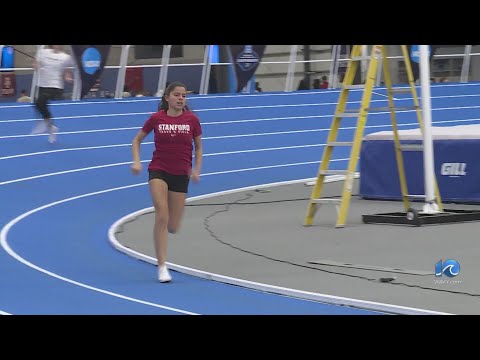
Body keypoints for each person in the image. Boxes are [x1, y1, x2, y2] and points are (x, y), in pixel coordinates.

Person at [130, 81, 203, 283]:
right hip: (158, 170)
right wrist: (137, 162)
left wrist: (196, 170)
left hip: (181, 175)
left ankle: (168, 231)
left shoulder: (192, 120)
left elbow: (198, 147)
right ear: (167, 98)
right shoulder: (156, 118)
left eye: (184, 96)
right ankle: (162, 266)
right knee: (161, 213)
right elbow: (136, 140)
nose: (181, 98)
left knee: (173, 226)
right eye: (177, 95)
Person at [31, 45, 74, 143]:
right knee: (38, 104)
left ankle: (45, 123)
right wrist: (36, 66)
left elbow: (66, 72)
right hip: (42, 84)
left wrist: (68, 78)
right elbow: (35, 64)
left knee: (40, 101)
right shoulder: (43, 52)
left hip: (56, 86)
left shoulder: (65, 57)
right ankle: (51, 129)